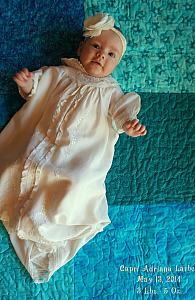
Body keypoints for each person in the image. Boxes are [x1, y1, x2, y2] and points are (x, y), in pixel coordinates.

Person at [0, 13, 147, 283]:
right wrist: (27, 84)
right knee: (15, 165)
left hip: (77, 157)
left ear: (116, 64)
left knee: (75, 184)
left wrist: (128, 123)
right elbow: (39, 83)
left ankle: (47, 227)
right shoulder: (60, 74)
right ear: (80, 48)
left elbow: (121, 111)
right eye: (96, 46)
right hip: (40, 142)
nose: (102, 55)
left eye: (112, 55)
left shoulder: (111, 92)